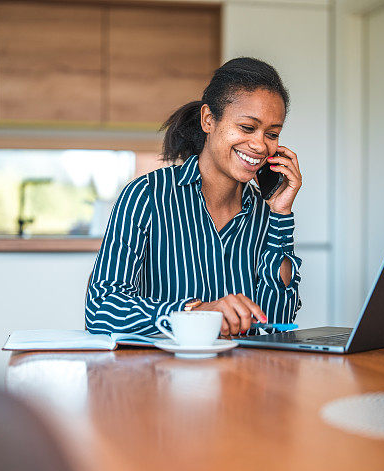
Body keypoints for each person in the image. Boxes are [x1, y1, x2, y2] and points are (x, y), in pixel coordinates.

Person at [85, 57, 303, 336]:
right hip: (167, 375)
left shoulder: (266, 214)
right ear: (209, 120)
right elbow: (101, 310)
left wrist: (281, 215)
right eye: (248, 128)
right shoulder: (147, 195)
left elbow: (275, 325)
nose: (260, 145)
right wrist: (194, 313)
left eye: (272, 134)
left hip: (246, 375)